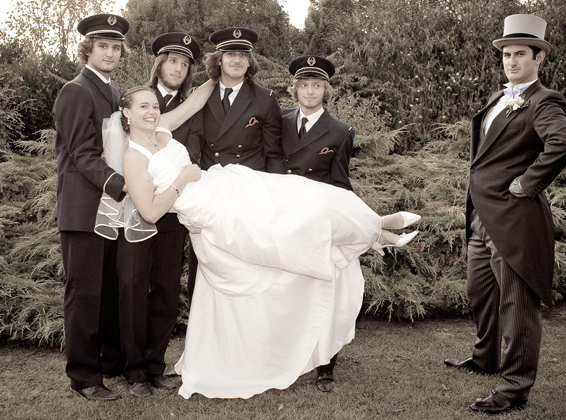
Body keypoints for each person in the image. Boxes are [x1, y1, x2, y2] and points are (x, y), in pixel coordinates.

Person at [104, 83, 421, 399]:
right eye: (143, 107)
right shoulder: (134, 157)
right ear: (126, 112)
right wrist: (181, 180)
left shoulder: (162, 127)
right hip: (211, 211)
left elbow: (196, 100)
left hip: (222, 183)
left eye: (154, 105)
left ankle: (375, 225)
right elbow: (148, 211)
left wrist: (220, 71)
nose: (152, 111)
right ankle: (375, 231)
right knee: (286, 227)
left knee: (299, 194)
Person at [443, 14, 566, 414]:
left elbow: (565, 143)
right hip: (481, 215)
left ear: (539, 57)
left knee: (517, 306)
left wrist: (528, 182)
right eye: (506, 53)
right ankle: (486, 359)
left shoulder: (543, 100)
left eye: (521, 53)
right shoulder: (497, 98)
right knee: (481, 294)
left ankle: (515, 387)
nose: (511, 60)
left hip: (516, 218)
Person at [103, 32, 203, 398]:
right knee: (131, 289)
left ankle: (155, 366)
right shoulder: (140, 102)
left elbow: (194, 114)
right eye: (171, 60)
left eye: (184, 62)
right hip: (137, 217)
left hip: (175, 218)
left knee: (165, 291)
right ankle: (132, 370)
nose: (151, 112)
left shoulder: (182, 109)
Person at [280, 55, 376, 393]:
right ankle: (289, 358)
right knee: (288, 291)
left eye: (317, 85)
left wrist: (343, 225)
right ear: (295, 90)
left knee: (323, 292)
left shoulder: (340, 131)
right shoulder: (279, 121)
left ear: (326, 90)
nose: (310, 91)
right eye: (304, 85)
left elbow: (340, 183)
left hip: (317, 219)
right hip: (282, 215)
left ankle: (325, 366)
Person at [52, 13, 131, 401]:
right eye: (103, 46)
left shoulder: (116, 94)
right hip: (85, 208)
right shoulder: (75, 90)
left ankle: (111, 362)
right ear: (88, 49)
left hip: (112, 209)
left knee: (110, 289)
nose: (110, 53)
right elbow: (83, 152)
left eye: (116, 48)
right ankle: (84, 376)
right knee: (84, 293)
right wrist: (122, 184)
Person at [182, 27, 285, 302]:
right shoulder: (199, 94)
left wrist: (274, 199)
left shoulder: (265, 98)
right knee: (204, 261)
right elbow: (192, 143)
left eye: (243, 54)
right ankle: (201, 328)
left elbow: (273, 153)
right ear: (219, 60)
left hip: (247, 192)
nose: (237, 60)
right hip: (209, 191)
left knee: (243, 265)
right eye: (230, 54)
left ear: (250, 62)